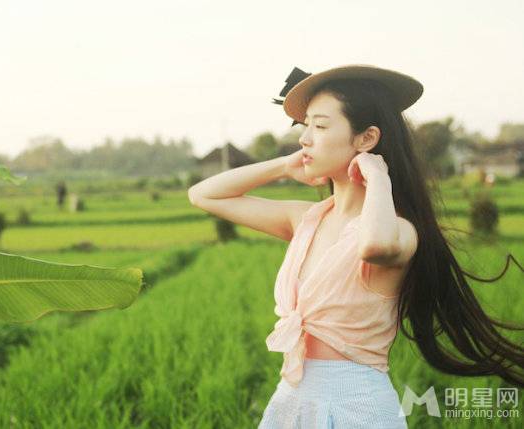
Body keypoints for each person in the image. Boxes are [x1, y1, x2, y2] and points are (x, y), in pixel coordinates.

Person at [187, 64, 524, 428]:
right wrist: (283, 167)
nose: (305, 139)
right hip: (292, 401)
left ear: (365, 139)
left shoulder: (401, 231)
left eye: (319, 126)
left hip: (357, 407)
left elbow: (374, 245)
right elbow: (204, 194)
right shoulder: (307, 219)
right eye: (305, 127)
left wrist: (378, 176)